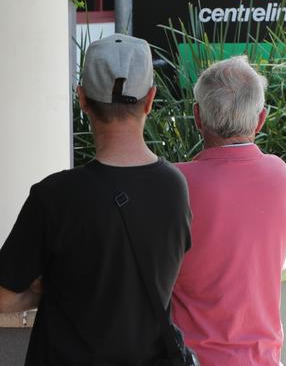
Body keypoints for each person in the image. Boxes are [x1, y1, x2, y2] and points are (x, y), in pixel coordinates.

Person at [0, 34, 192, 364]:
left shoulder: (53, 196)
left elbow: (3, 297)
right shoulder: (174, 187)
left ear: (82, 99)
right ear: (150, 99)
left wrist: (43, 290)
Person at [172, 56, 286, 365]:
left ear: (197, 117)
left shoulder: (176, 183)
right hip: (265, 357)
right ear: (261, 119)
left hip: (195, 357)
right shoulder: (278, 174)